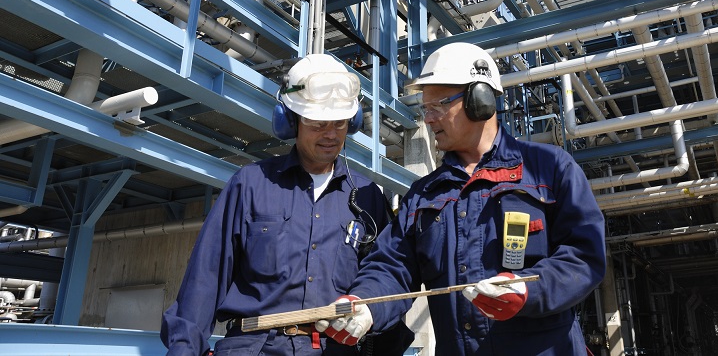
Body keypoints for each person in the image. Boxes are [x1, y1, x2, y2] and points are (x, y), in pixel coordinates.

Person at [315, 42, 607, 355]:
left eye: (437, 106)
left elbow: (584, 256)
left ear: (479, 100)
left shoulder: (549, 169)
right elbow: (392, 266)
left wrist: (528, 288)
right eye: (425, 109)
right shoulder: (424, 196)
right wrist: (365, 305)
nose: (428, 119)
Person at [161, 53, 412, 356]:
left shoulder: (368, 195)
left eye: (341, 122)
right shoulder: (251, 184)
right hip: (254, 346)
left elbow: (389, 275)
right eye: (318, 122)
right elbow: (205, 278)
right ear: (290, 120)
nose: (331, 134)